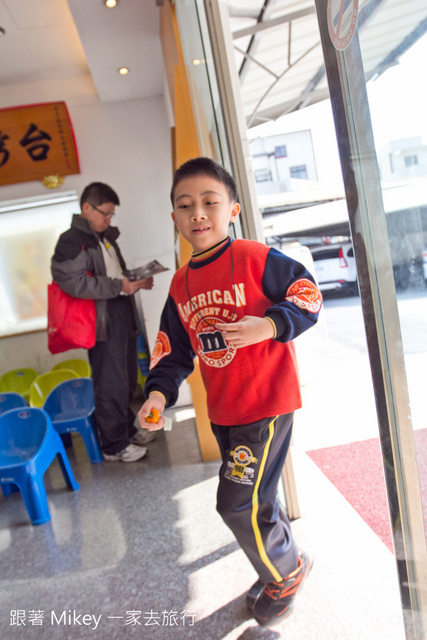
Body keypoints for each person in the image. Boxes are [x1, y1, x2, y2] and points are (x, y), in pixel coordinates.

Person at [137, 157, 323, 626]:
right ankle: (282, 559)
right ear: (174, 218)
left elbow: (307, 294)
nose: (197, 212)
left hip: (265, 405)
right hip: (225, 413)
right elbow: (173, 351)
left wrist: (269, 324)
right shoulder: (181, 284)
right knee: (258, 498)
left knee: (237, 502)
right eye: (185, 205)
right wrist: (158, 395)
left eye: (209, 202)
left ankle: (286, 573)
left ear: (233, 209)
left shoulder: (257, 259)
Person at [51, 181, 155, 462]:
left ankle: (125, 430)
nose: (109, 219)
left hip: (121, 313)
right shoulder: (71, 241)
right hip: (101, 322)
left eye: (111, 215)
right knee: (110, 383)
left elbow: (114, 274)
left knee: (127, 380)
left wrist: (135, 280)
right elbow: (73, 282)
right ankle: (113, 446)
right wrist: (120, 286)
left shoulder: (105, 237)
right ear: (87, 208)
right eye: (105, 213)